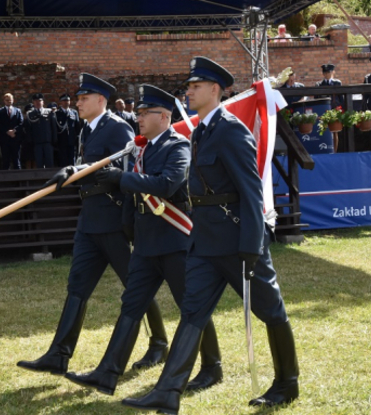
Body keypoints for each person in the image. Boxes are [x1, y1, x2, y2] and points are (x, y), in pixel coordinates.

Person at [122, 57, 300, 414]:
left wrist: (252, 244)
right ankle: (168, 391)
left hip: (236, 239)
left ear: (215, 90)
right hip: (204, 239)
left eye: (195, 86)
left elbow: (250, 190)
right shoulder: (202, 129)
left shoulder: (231, 130)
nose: (188, 92)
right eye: (188, 87)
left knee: (269, 309)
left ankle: (286, 383)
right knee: (192, 311)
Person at [63, 84, 222, 396]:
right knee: (130, 307)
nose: (138, 118)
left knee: (191, 307)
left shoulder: (178, 146)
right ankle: (107, 373)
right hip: (146, 244)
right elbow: (135, 195)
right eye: (137, 113)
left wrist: (121, 178)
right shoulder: (142, 148)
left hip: (174, 241)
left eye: (144, 113)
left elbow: (166, 184)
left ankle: (211, 367)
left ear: (163, 116)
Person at [17, 73, 170, 376]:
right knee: (77, 286)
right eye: (78, 98)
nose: (78, 103)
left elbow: (130, 165)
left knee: (136, 284)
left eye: (84, 98)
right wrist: (74, 169)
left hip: (113, 220)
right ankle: (59, 354)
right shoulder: (86, 129)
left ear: (101, 100)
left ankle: (158, 344)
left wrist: (80, 169)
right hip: (89, 219)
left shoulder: (117, 128)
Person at [23, 93, 58, 168]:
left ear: (43, 102)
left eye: (39, 101)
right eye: (35, 101)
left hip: (48, 142)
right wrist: (30, 141)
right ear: (33, 103)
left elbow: (53, 127)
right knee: (39, 164)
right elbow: (29, 129)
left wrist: (54, 139)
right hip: (37, 143)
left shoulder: (49, 112)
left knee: (50, 164)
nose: (38, 102)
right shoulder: (30, 114)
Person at [0, 93, 24, 170]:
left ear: (13, 100)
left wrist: (14, 131)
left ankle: (18, 179)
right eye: (7, 100)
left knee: (16, 160)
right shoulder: (0, 111)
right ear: (4, 101)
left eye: (10, 100)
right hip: (4, 139)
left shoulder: (18, 111)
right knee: (5, 160)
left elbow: (21, 123)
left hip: (15, 138)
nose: (9, 102)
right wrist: (7, 131)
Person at [55, 93, 81, 167]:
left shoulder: (74, 112)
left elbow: (77, 126)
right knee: (63, 160)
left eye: (68, 101)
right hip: (61, 141)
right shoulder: (57, 114)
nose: (66, 102)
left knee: (72, 159)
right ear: (61, 102)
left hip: (71, 140)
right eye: (64, 101)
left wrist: (77, 138)